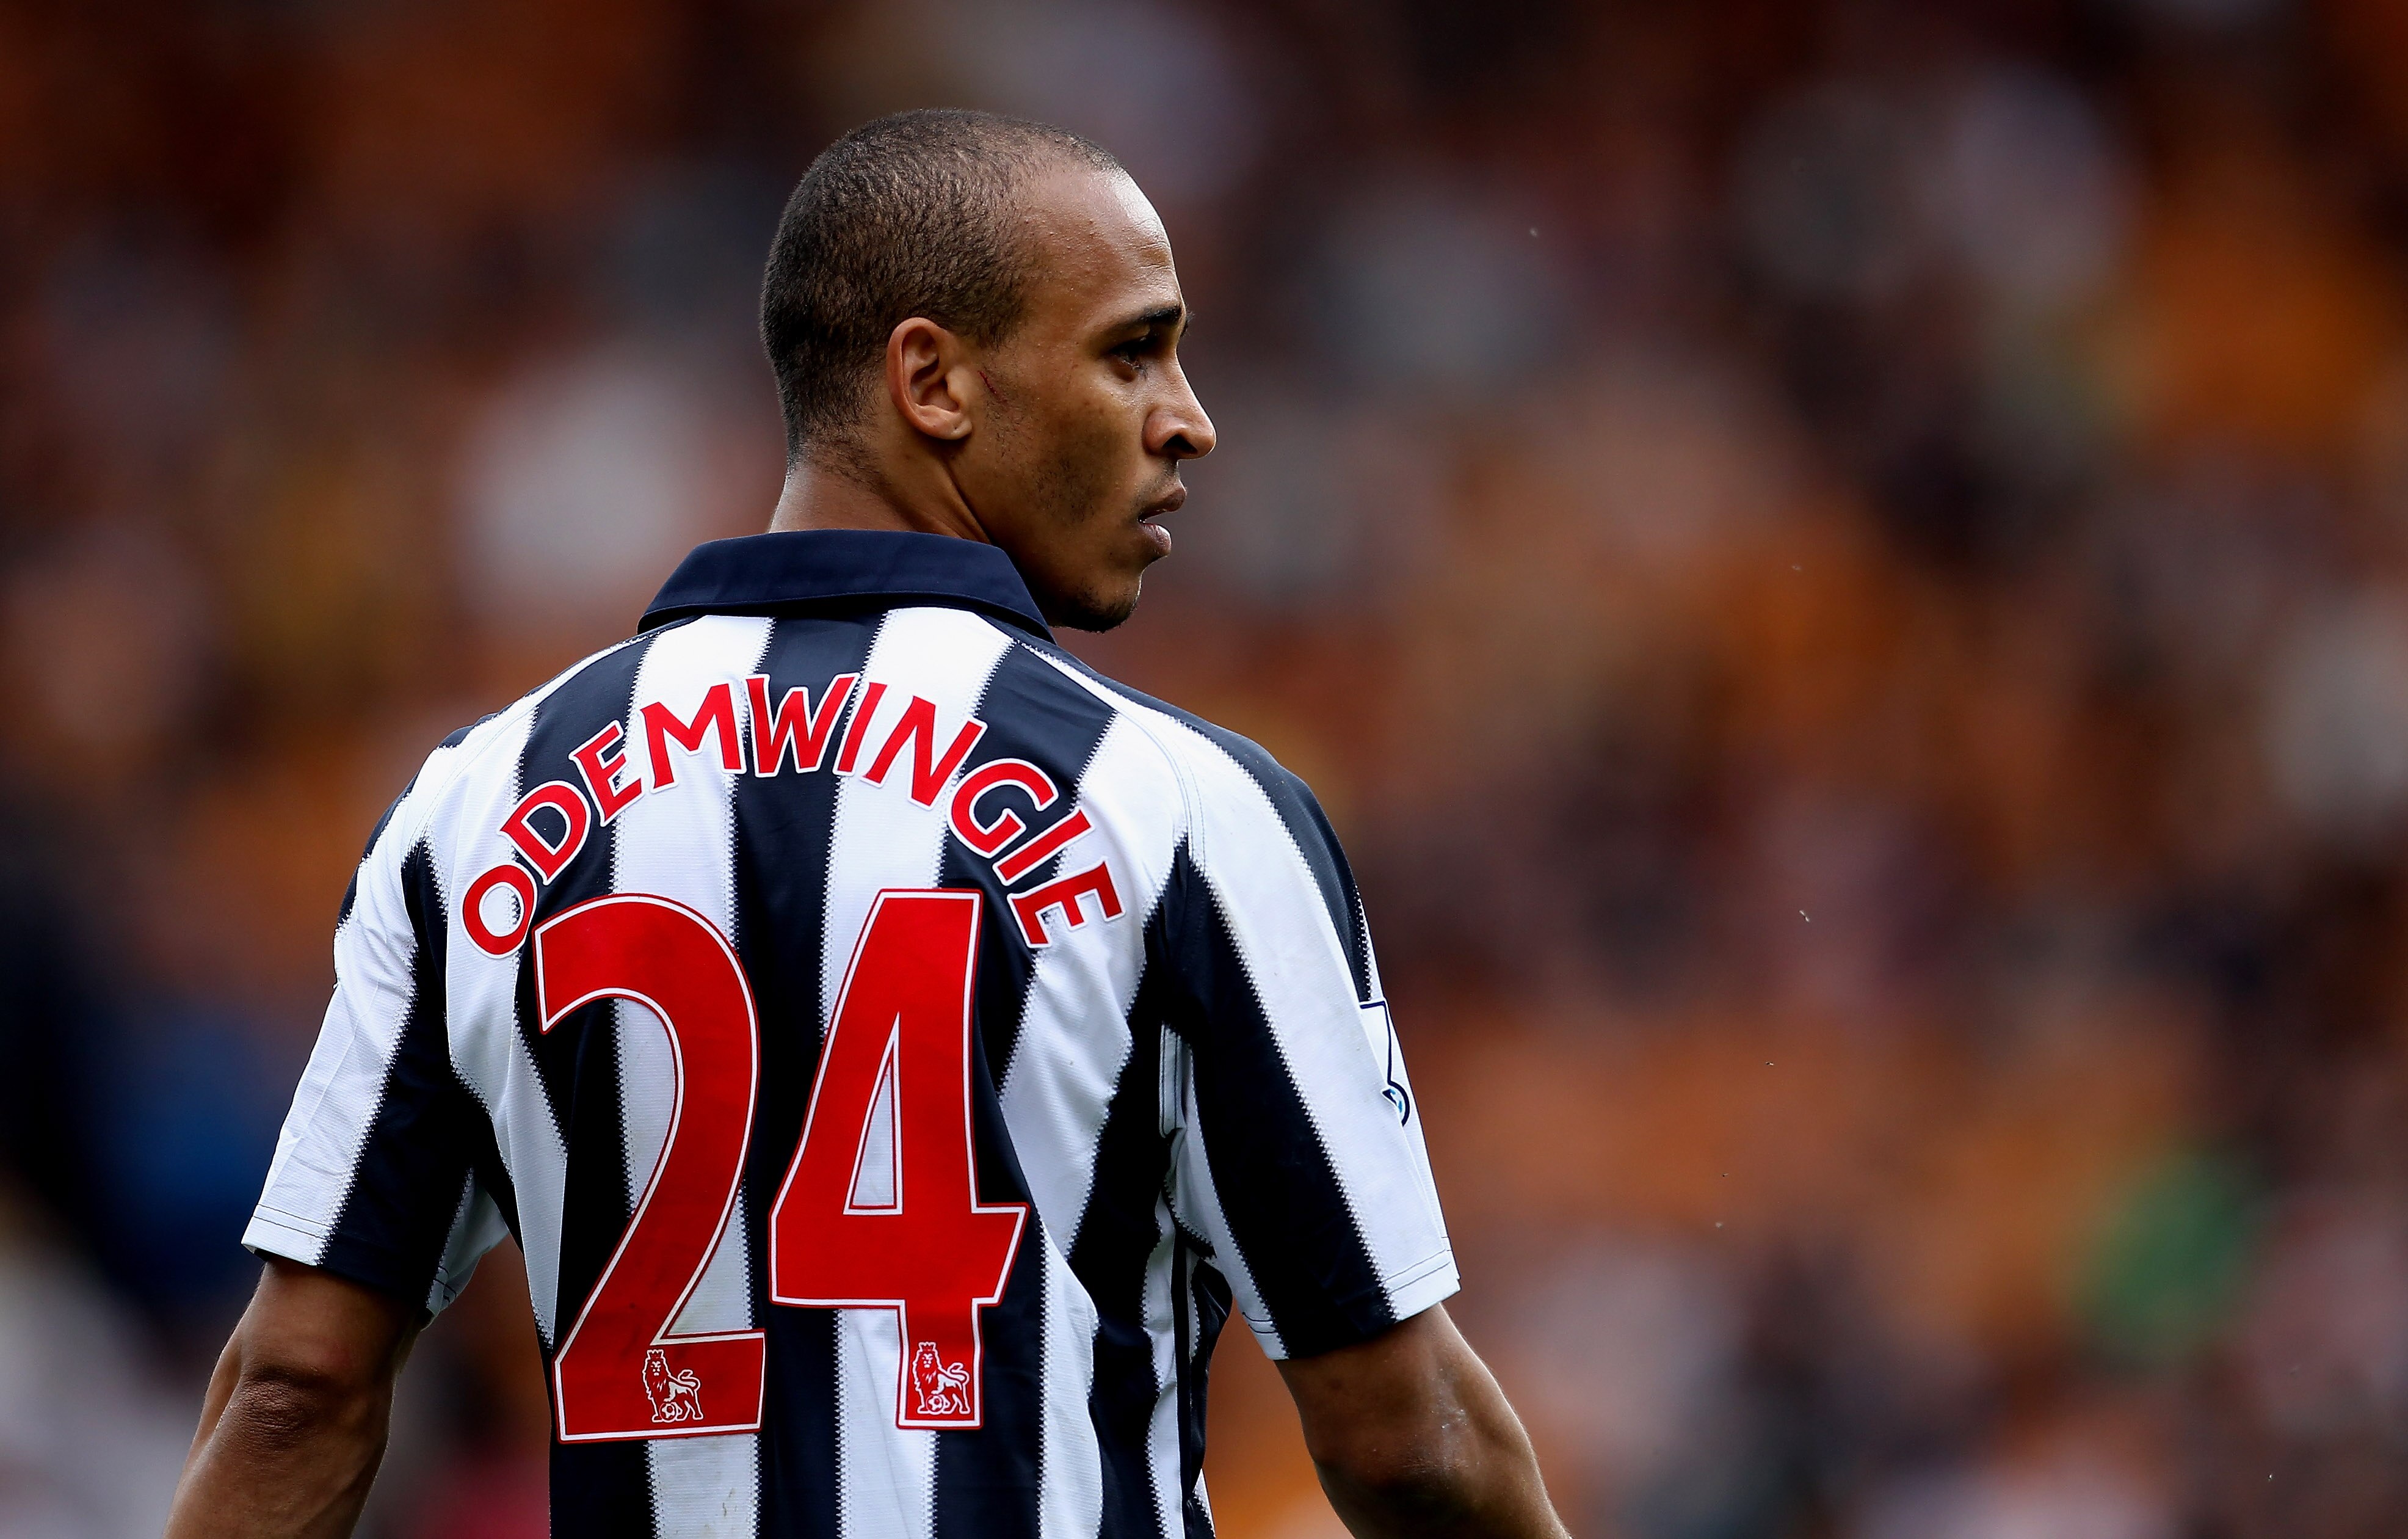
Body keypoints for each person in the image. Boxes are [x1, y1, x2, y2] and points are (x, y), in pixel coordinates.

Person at [166, 109, 1567, 1539]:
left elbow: (296, 1393)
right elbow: (1407, 1440)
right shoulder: (1182, 810)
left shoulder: (477, 805)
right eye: (1131, 353)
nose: (1187, 418)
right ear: (932, 382)